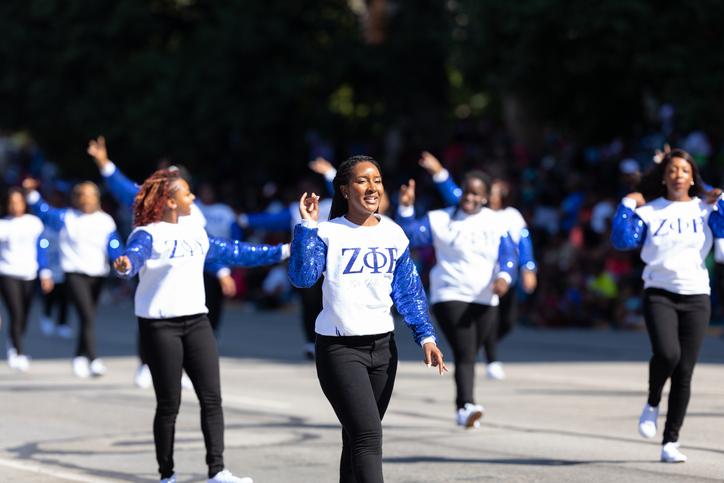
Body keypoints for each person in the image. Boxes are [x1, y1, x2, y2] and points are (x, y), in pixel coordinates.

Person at [113, 168, 289, 483]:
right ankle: (167, 474)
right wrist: (127, 265)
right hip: (160, 325)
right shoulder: (147, 233)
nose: (192, 197)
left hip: (196, 321)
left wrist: (283, 251)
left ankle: (217, 471)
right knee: (169, 404)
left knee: (212, 398)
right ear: (168, 200)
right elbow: (134, 255)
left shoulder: (195, 230)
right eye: (186, 193)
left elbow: (233, 251)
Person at [288, 155, 447, 483]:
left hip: (383, 350)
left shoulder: (393, 233)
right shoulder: (327, 233)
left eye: (376, 179)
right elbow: (303, 278)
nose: (372, 187)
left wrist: (426, 336)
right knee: (368, 437)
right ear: (345, 190)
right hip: (339, 350)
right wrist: (306, 227)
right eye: (362, 180)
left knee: (356, 438)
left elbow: (408, 291)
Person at [611, 148, 724, 463]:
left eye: (684, 171)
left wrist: (723, 198)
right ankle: (651, 403)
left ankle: (670, 442)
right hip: (659, 292)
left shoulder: (705, 209)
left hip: (696, 295)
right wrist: (627, 203)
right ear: (663, 177)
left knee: (685, 371)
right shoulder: (649, 211)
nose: (678, 175)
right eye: (672, 170)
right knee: (668, 354)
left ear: (692, 178)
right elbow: (622, 241)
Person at [397, 170, 517, 428]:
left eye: (476, 194)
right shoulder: (441, 218)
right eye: (466, 191)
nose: (469, 197)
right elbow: (410, 236)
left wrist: (505, 277)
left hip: (485, 297)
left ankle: (463, 406)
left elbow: (508, 254)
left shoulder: (497, 222)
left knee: (471, 353)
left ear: (485, 198)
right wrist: (406, 208)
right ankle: (465, 406)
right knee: (465, 352)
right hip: (449, 294)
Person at [418, 151, 536, 379]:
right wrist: (439, 172)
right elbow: (456, 195)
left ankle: (478, 346)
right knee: (483, 323)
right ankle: (491, 358)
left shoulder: (511, 215)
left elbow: (523, 241)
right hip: (478, 282)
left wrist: (528, 267)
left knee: (508, 321)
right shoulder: (471, 212)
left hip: (505, 276)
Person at [23, 178, 123, 378]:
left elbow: (113, 245)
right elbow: (44, 211)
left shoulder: (105, 220)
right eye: (82, 196)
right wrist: (30, 193)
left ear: (96, 198)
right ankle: (93, 359)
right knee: (86, 316)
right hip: (73, 272)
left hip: (97, 274)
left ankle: (79, 356)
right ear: (76, 199)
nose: (86, 200)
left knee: (89, 318)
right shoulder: (66, 217)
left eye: (90, 195)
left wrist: (119, 261)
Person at [0, 187, 54, 371]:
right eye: (11, 203)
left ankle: (13, 342)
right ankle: (18, 351)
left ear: (23, 203)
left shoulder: (34, 223)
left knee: (24, 315)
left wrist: (45, 272)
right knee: (15, 313)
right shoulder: (3, 225)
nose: (15, 206)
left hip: (29, 273)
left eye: (18, 202)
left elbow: (42, 249)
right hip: (7, 272)